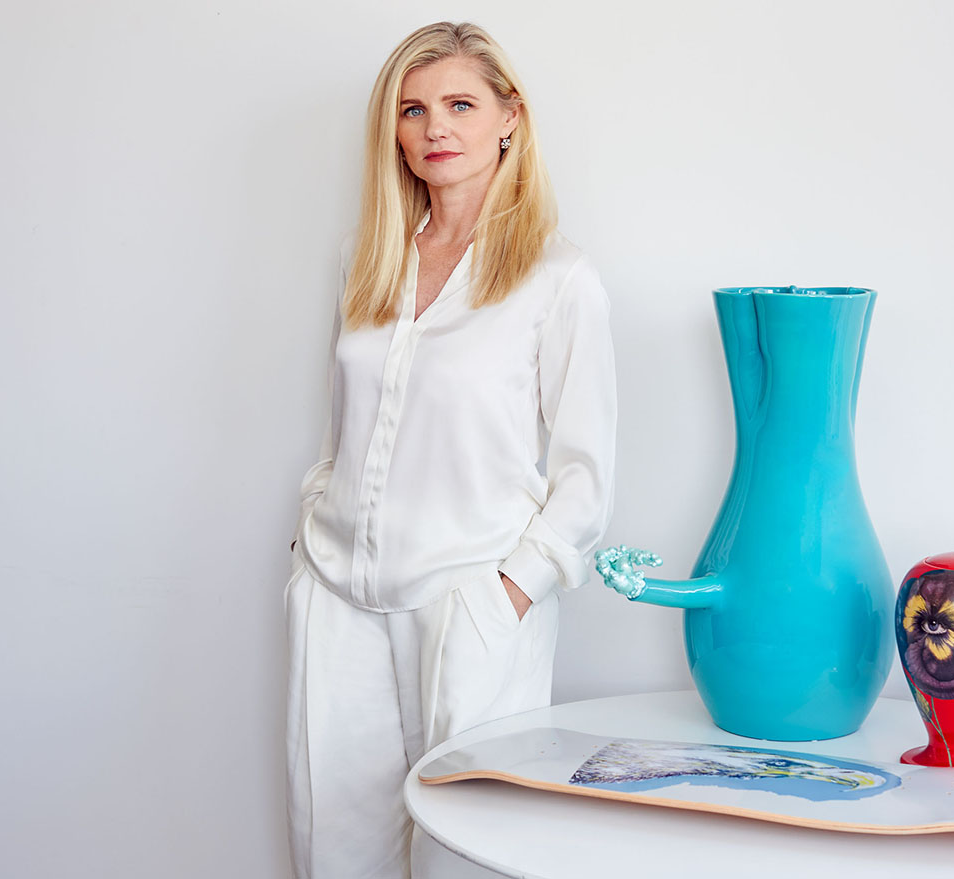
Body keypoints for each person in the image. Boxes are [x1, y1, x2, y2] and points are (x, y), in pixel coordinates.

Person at [283, 21, 617, 879]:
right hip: (339, 600)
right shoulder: (367, 261)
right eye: (413, 109)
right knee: (337, 853)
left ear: (509, 117)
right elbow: (342, 430)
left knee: (464, 857)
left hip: (469, 606)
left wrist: (509, 594)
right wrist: (309, 538)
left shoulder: (557, 278)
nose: (435, 128)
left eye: (460, 104)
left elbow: (585, 476)